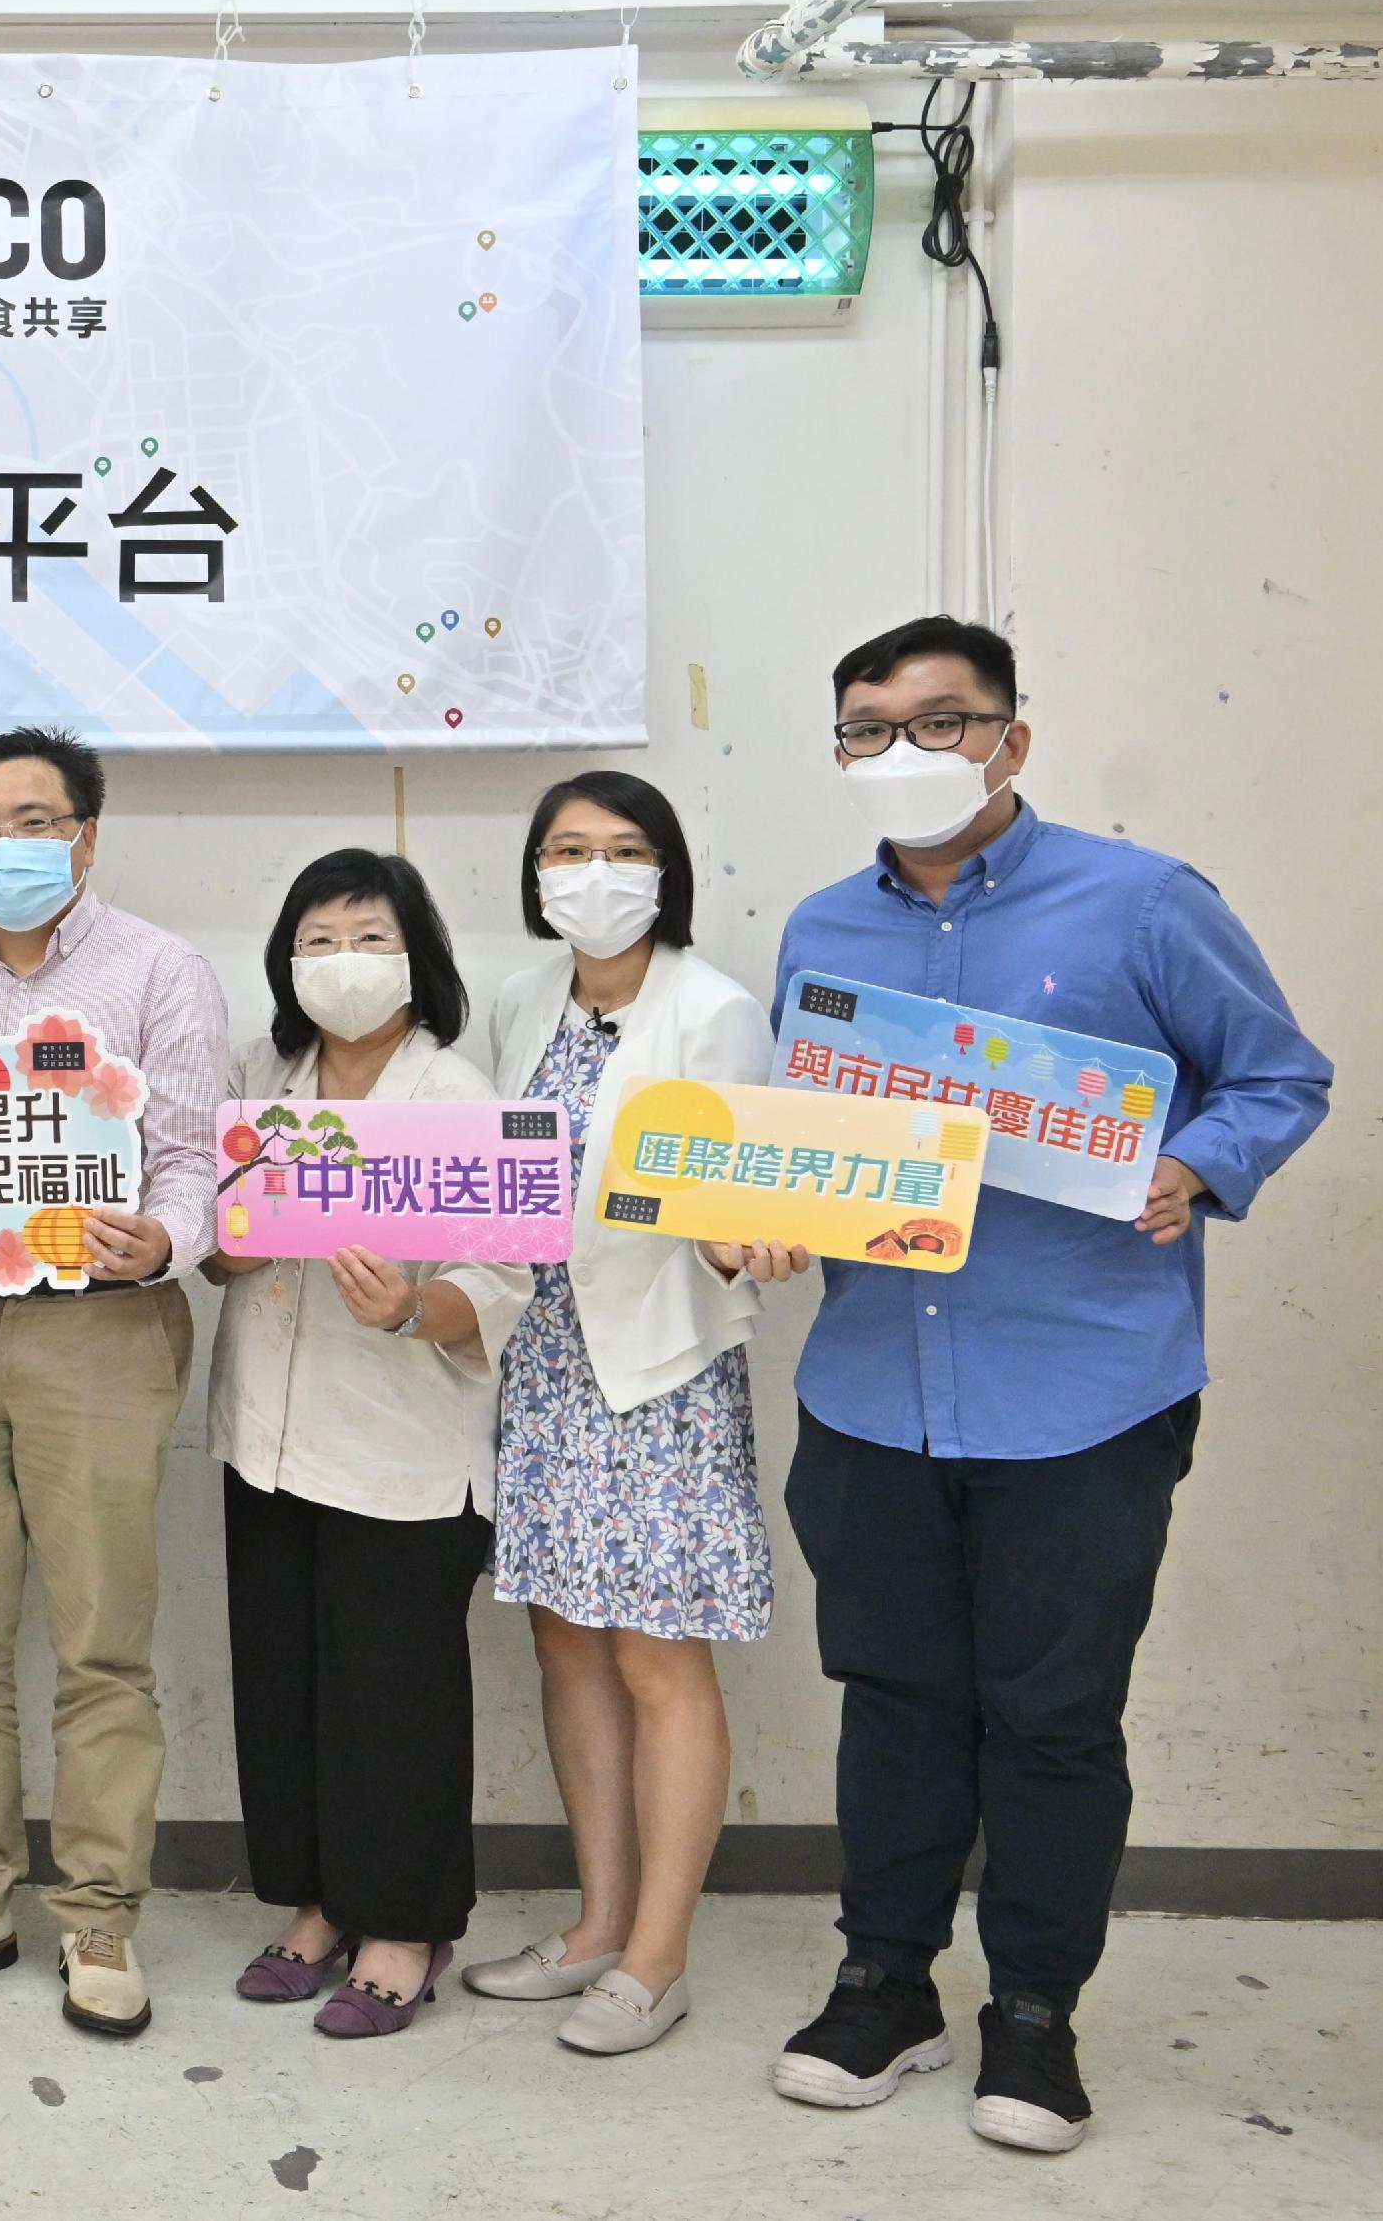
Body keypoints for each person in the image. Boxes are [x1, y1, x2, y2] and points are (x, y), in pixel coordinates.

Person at [754, 618, 1328, 2155]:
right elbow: (817, 1144)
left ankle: (1035, 2015)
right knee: (892, 1703)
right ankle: (884, 1983)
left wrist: (1199, 1165)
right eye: (870, 726)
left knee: (1056, 1717)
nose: (906, 752)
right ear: (839, 752)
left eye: (942, 722)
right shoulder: (822, 931)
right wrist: (774, 1218)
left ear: (1012, 738)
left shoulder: (1142, 902)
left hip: (1082, 1393)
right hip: (874, 1388)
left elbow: (1280, 1075)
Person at [0, 726, 226, 2039]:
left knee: (101, 1638)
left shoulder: (159, 969)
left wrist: (167, 1237)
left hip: (103, 1328)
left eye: (33, 819)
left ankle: (100, 1911)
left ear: (86, 832)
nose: (5, 843)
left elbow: (193, 1154)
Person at [463, 770, 777, 2058]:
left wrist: (736, 1243)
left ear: (666, 870)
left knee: (657, 1656)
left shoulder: (714, 1009)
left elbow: (735, 1198)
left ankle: (658, 1956)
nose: (594, 873)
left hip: (654, 1366)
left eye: (624, 848)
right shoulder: (520, 1000)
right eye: (568, 850)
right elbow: (483, 1172)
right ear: (536, 874)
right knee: (566, 1647)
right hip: (538, 1360)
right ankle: (595, 1923)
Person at [199, 851, 526, 2041]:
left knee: (395, 1695)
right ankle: (321, 1901)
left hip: (399, 1449)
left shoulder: (459, 1099)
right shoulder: (262, 1073)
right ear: (289, 959)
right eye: (319, 939)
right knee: (282, 1684)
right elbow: (221, 1236)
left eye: (368, 937)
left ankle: (406, 1924)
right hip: (265, 1438)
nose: (343, 961)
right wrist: (223, 1245)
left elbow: (500, 1281)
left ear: (416, 955)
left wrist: (408, 1307)